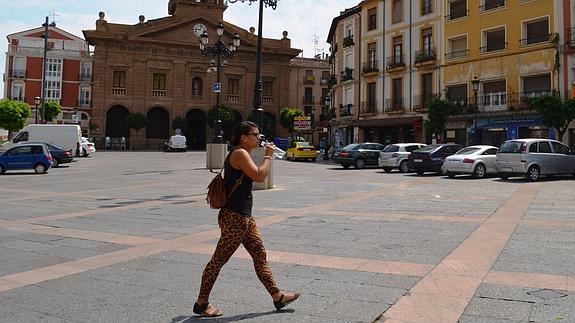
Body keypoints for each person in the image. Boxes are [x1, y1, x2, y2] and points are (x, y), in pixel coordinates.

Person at [193, 121, 300, 317]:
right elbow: (260, 176)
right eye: (255, 134)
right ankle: (201, 302)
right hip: (235, 218)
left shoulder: (244, 153)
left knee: (260, 257)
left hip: (245, 218)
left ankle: (277, 296)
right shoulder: (240, 153)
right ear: (244, 137)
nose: (259, 137)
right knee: (217, 261)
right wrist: (268, 155)